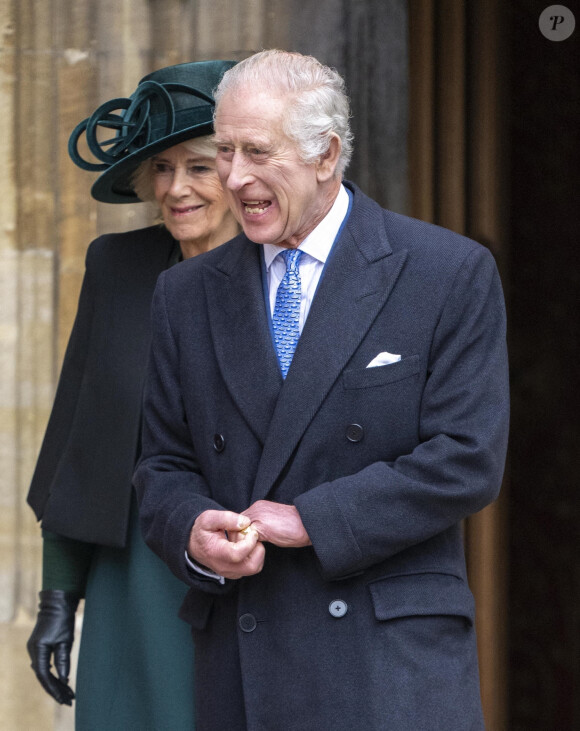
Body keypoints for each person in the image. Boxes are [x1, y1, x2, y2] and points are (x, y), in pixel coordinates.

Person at [134, 50, 510, 730]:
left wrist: (313, 518)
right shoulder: (183, 294)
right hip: (243, 664)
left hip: (388, 665)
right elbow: (161, 465)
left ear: (326, 155)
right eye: (225, 150)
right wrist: (191, 528)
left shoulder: (446, 272)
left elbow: (467, 458)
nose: (234, 177)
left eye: (257, 151)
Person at [26, 59, 239, 730]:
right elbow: (77, 432)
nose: (176, 188)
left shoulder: (289, 278)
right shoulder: (118, 268)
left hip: (251, 577)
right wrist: (60, 592)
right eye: (162, 168)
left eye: (199, 166)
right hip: (133, 578)